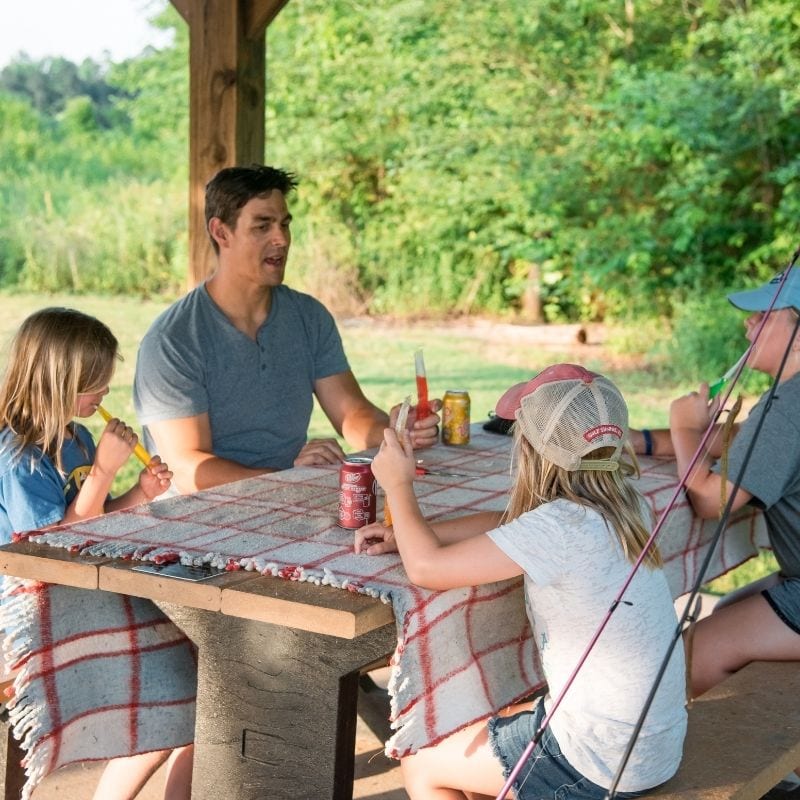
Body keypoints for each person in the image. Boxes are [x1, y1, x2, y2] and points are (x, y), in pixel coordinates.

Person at [355, 363, 687, 800]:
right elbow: (509, 524)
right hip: (651, 749)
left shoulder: (557, 529)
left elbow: (427, 570)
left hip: (600, 764)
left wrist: (398, 486)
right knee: (493, 724)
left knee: (423, 758)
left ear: (531, 450)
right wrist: (410, 535)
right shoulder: (624, 505)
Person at [133, 165, 439, 494]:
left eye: (284, 224)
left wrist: (393, 433)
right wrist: (283, 476)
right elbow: (188, 469)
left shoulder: (308, 316)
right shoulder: (174, 340)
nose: (281, 239)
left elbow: (351, 414)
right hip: (200, 517)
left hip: (291, 494)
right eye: (263, 226)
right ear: (222, 233)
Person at [0, 307, 190, 800]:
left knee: (183, 670)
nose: (105, 393)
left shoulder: (77, 438)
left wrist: (140, 494)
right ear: (61, 382)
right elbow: (47, 550)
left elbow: (94, 518)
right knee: (170, 687)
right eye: (96, 384)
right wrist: (104, 471)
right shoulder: (20, 456)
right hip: (28, 608)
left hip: (79, 590)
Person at [631, 267, 800, 796]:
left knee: (694, 652)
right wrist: (661, 439)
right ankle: (778, 762)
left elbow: (709, 501)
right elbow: (745, 445)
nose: (747, 327)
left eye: (763, 316)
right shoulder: (785, 402)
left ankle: (731, 775)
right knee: (727, 613)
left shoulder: (788, 404)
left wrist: (683, 428)